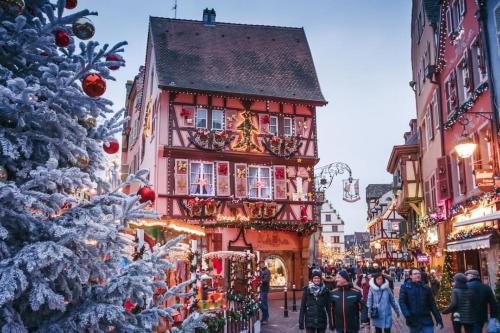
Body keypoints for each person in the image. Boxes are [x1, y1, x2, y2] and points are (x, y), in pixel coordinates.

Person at [399, 268, 443, 333]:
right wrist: (407, 315)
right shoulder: (405, 287)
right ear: (411, 276)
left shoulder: (426, 287)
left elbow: (432, 304)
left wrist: (438, 319)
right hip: (413, 320)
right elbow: (402, 302)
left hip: (426, 319)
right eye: (415, 274)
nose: (418, 275)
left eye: (419, 273)